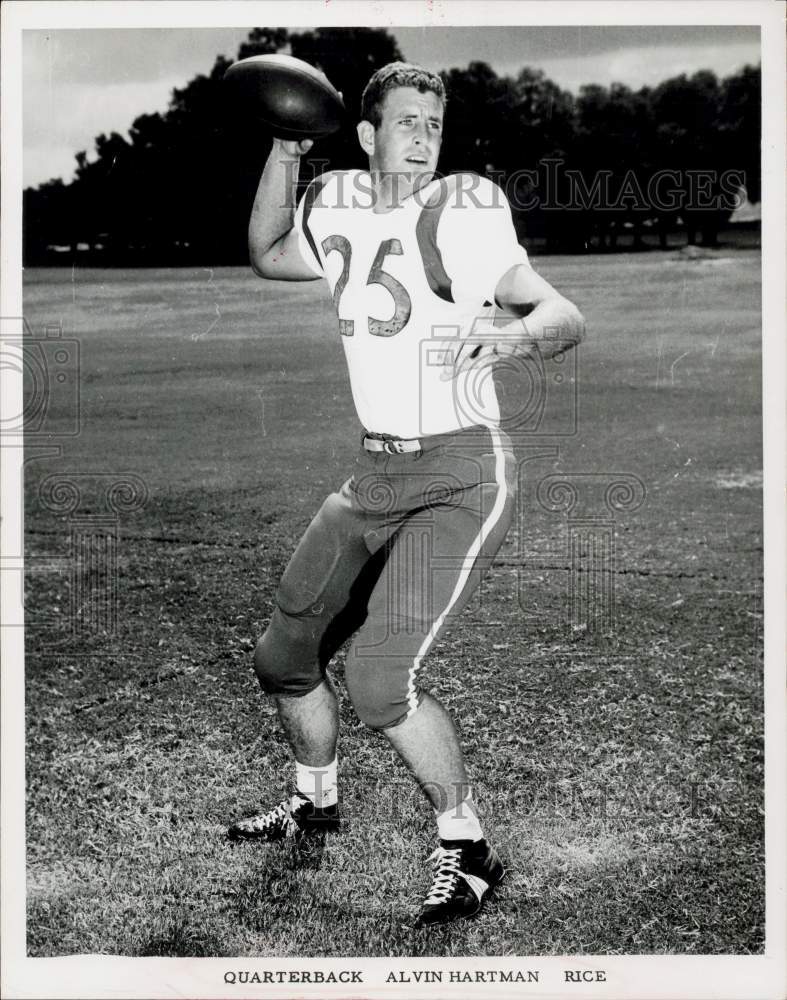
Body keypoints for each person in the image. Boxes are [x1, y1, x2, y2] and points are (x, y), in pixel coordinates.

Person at [228, 62, 585, 926]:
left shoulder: (460, 209)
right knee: (283, 658)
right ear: (365, 134)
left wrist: (519, 340)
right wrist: (283, 151)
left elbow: (561, 314)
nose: (423, 138)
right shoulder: (340, 198)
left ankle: (469, 849)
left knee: (381, 674)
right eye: (406, 122)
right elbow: (271, 256)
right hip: (374, 473)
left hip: (460, 472)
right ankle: (315, 801)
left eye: (434, 122)